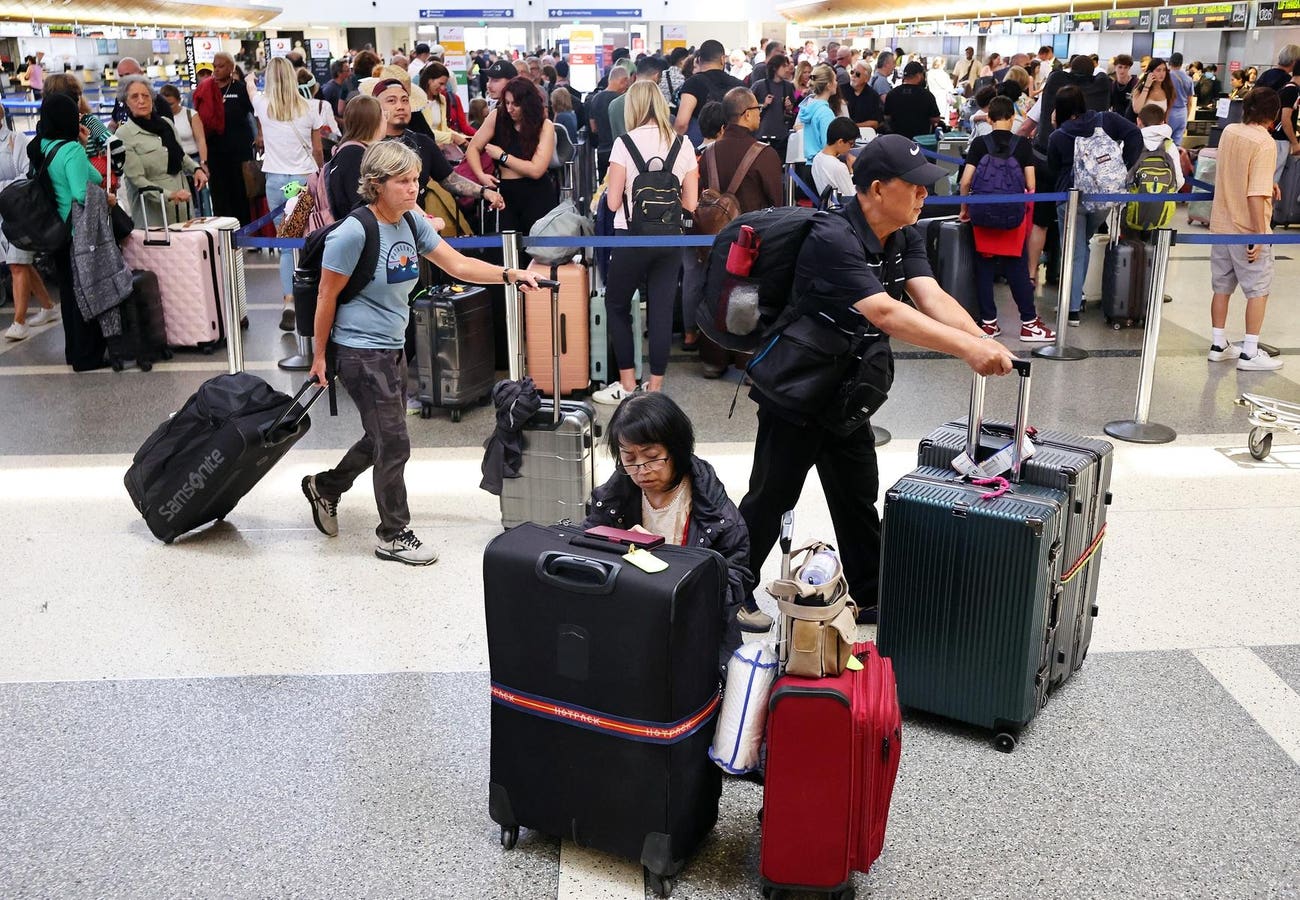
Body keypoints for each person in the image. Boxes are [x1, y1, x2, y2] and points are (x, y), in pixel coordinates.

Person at [735, 134, 1016, 632]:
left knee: (857, 495)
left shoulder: (903, 234)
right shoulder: (832, 236)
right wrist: (967, 350)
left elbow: (930, 296)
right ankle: (729, 592)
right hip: (797, 392)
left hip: (846, 393)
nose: (925, 195)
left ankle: (869, 594)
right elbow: (884, 312)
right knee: (771, 497)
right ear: (878, 188)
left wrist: (981, 339)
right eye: (915, 186)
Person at [302, 142, 545, 565]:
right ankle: (393, 534)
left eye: (416, 179)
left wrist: (510, 274)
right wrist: (319, 356)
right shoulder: (353, 233)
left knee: (381, 436)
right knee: (395, 443)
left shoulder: (411, 222)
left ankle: (325, 486)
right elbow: (326, 296)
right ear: (376, 184)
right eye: (403, 181)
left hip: (393, 347)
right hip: (359, 351)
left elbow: (458, 265)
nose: (414, 188)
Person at [580, 392, 749, 668]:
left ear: (677, 449)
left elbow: (736, 582)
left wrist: (666, 564)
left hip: (691, 632)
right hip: (627, 621)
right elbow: (586, 550)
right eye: (629, 458)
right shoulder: (613, 499)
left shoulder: (716, 512)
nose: (641, 470)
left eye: (652, 457)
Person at [591, 81, 697, 405]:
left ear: (633, 107)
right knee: (661, 311)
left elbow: (612, 203)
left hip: (630, 238)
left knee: (617, 304)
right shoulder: (684, 143)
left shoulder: (624, 143)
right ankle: (656, 387)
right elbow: (691, 203)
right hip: (671, 239)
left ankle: (627, 383)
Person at [959, 96, 1055, 343]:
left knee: (984, 267)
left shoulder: (979, 144)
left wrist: (965, 208)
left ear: (989, 119)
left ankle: (989, 323)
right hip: (1012, 215)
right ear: (1012, 118)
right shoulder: (1022, 145)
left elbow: (966, 181)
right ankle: (1029, 324)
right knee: (1016, 267)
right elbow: (1031, 184)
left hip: (982, 213)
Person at [1047, 85, 1143, 326]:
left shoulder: (1058, 135)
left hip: (1070, 198)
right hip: (1102, 197)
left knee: (1074, 250)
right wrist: (1124, 167)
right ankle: (1076, 297)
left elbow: (1053, 167)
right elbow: (1135, 134)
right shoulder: (1107, 120)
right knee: (1084, 244)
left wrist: (1055, 127)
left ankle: (1071, 308)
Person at [31, 94, 115, 370]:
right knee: (85, 293)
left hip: (55, 230)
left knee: (68, 294)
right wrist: (107, 198)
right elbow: (83, 191)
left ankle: (73, 352)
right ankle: (87, 357)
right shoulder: (71, 150)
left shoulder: (43, 146)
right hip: (77, 232)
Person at [1205, 87, 1284, 371]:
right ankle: (1250, 352)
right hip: (1246, 229)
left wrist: (1267, 182)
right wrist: (1259, 234)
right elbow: (1254, 194)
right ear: (1273, 115)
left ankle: (1218, 345)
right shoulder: (1265, 143)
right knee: (1258, 290)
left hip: (1221, 225)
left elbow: (1235, 169)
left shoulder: (1230, 132)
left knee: (1222, 287)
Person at [247, 57, 325, 330]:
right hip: (303, 180)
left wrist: (250, 78)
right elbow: (317, 150)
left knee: (286, 245)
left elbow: (250, 87)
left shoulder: (262, 104)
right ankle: (311, 299)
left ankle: (289, 299)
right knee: (310, 240)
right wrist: (321, 174)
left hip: (276, 182)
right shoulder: (310, 107)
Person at [365, 69, 503, 217]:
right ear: (376, 107)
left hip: (417, 225)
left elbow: (450, 179)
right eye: (391, 101)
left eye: (405, 100)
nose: (400, 106)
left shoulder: (422, 142)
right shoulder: (366, 147)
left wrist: (484, 192)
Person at [467, 75, 557, 237]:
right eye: (507, 103)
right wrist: (481, 175)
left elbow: (536, 170)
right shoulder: (497, 116)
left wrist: (503, 156)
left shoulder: (545, 126)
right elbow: (473, 147)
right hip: (505, 193)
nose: (510, 109)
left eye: (516, 104)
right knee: (504, 247)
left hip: (537, 194)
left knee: (538, 247)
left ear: (527, 104)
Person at [117, 76, 209, 229]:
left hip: (183, 205)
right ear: (126, 102)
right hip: (153, 213)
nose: (141, 101)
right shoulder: (124, 134)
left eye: (145, 96)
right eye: (134, 97)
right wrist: (170, 195)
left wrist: (196, 169)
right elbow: (137, 180)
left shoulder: (166, 123)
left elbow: (180, 155)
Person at [0, 106, 58, 342]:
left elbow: (26, 174)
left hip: (19, 212)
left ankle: (19, 322)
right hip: (3, 214)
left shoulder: (17, 140)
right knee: (21, 264)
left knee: (17, 264)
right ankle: (48, 306)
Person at [193, 52, 255, 224]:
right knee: (219, 193)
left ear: (231, 67)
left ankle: (244, 230)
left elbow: (256, 112)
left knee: (240, 193)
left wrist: (260, 135)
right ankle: (222, 230)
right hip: (215, 150)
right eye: (215, 66)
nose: (217, 70)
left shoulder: (241, 89)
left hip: (239, 151)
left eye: (221, 66)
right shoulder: (205, 89)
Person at [325, 94, 385, 219]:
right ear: (374, 120)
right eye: (384, 115)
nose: (386, 120)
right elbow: (360, 205)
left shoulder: (349, 151)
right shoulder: (354, 155)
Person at [674, 39, 744, 144]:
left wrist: (674, 146)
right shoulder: (738, 85)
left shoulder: (692, 83)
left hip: (701, 145)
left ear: (698, 60)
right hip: (733, 143)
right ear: (722, 59)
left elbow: (681, 123)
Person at [410, 62, 476, 154]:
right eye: (441, 83)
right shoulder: (415, 101)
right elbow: (424, 132)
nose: (443, 88)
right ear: (429, 80)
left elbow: (444, 128)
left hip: (439, 150)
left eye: (445, 84)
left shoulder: (442, 99)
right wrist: (453, 137)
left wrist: (464, 138)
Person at [608, 57, 666, 145]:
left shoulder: (614, 104)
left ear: (636, 75)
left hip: (620, 151)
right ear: (657, 76)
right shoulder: (656, 103)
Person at [751, 53, 798, 157]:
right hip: (763, 133)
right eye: (784, 66)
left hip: (782, 135)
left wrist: (789, 107)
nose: (787, 69)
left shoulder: (788, 86)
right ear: (775, 68)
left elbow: (791, 109)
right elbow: (748, 106)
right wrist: (763, 105)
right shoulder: (759, 85)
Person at [796, 64, 843, 164]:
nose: (836, 83)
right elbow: (828, 147)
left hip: (810, 162)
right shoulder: (825, 113)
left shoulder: (809, 108)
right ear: (828, 85)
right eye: (835, 80)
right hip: (822, 164)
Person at [588, 65, 629, 177]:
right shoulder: (622, 101)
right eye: (627, 83)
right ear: (623, 81)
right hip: (621, 152)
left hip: (602, 151)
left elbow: (593, 128)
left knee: (604, 185)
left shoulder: (595, 99)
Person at [883, 61, 943, 139]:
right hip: (920, 140)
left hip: (897, 139)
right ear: (919, 76)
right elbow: (935, 119)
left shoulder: (892, 94)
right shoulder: (927, 95)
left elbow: (887, 117)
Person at [108, 58, 172, 126]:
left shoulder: (159, 102)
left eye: (127, 75)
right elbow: (114, 122)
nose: (124, 80)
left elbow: (168, 128)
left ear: (140, 74)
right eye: (121, 76)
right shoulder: (120, 99)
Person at [1136, 102, 1185, 191]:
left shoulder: (1132, 142)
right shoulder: (1170, 145)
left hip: (1133, 198)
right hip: (1165, 197)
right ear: (1162, 122)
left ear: (1138, 121)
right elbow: (1179, 180)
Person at [811, 115, 857, 200]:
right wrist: (852, 171)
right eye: (851, 144)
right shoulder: (839, 166)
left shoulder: (817, 158)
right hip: (841, 206)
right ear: (840, 142)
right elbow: (852, 197)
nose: (851, 147)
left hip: (828, 204)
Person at [839, 60, 882, 130]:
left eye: (857, 74)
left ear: (866, 79)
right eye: (852, 72)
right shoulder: (841, 90)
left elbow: (875, 123)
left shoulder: (873, 96)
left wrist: (853, 126)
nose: (853, 76)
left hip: (864, 133)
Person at [1167, 52, 1195, 146]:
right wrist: (1186, 118)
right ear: (1181, 63)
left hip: (1170, 112)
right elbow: (1190, 102)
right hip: (1182, 113)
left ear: (1170, 62)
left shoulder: (1167, 77)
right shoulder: (1189, 79)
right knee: (1177, 144)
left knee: (1166, 141)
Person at [660, 47, 689, 113]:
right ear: (682, 61)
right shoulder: (684, 77)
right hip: (678, 113)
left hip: (662, 112)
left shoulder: (661, 74)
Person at [1111, 54, 1139, 120]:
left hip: (1132, 119)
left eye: (1125, 67)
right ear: (1115, 67)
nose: (1122, 70)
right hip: (1116, 119)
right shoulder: (1112, 84)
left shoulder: (1135, 83)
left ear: (1129, 68)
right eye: (1120, 67)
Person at [927, 56, 953, 122]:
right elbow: (946, 86)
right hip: (942, 97)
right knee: (942, 116)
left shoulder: (929, 73)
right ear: (941, 64)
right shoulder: (941, 74)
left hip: (933, 95)